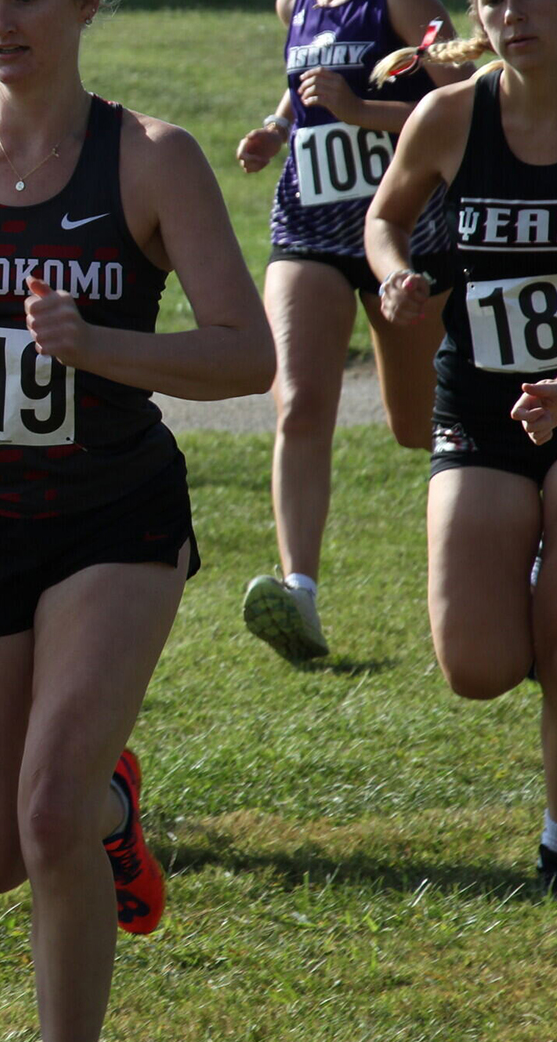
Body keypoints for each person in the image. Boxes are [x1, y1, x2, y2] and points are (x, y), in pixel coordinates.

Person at [0, 0, 274, 1042]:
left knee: (45, 815)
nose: (3, 19)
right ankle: (112, 797)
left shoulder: (149, 158)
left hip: (114, 515)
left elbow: (248, 354)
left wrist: (97, 345)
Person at [369, 0, 557, 893]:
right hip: (483, 411)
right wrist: (394, 274)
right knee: (478, 666)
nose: (516, 13)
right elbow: (384, 217)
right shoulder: (450, 115)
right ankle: (528, 579)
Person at [234, 0, 465, 663]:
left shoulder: (404, 6)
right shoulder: (295, 6)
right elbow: (303, 86)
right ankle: (298, 592)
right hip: (308, 228)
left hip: (406, 233)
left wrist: (361, 113)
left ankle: (525, 528)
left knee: (418, 425)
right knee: (300, 402)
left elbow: (467, 103)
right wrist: (278, 127)